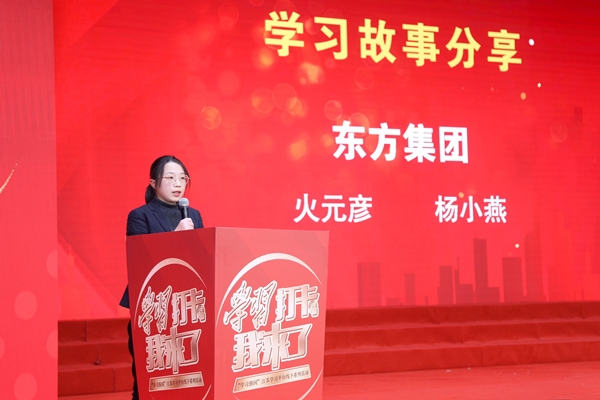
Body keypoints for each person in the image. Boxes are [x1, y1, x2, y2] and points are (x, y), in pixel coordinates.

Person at [119, 155, 203, 400]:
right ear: (154, 183)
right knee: (150, 375)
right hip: (152, 303)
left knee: (185, 374)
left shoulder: (193, 215)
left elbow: (201, 257)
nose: (178, 184)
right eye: (170, 178)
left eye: (182, 178)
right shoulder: (140, 215)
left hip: (185, 304)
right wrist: (175, 235)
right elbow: (139, 259)